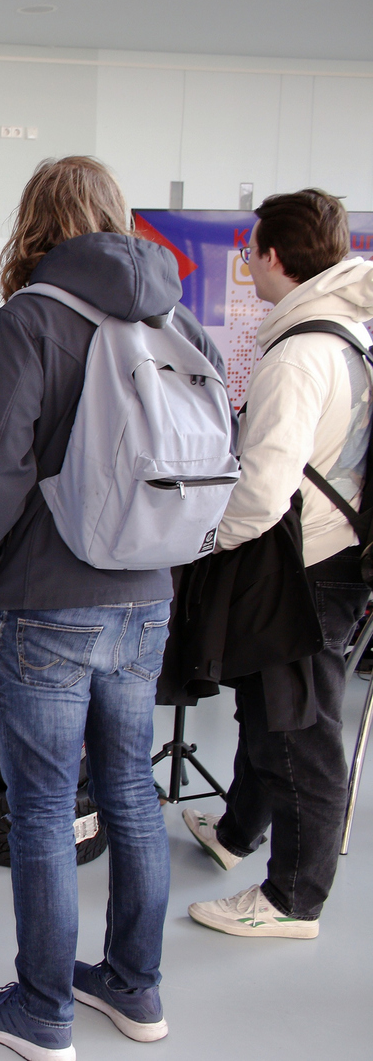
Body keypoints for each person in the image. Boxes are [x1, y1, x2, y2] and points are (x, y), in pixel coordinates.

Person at [0, 156, 220, 1059]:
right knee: (133, 796)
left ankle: (42, 1010)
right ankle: (135, 989)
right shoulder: (173, 314)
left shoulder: (32, 316)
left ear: (36, 221)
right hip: (149, 591)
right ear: (112, 218)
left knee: (42, 810)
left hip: (47, 595)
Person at [184, 190, 373, 940]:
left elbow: (262, 491)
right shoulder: (346, 338)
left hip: (305, 566)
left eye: (250, 249)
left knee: (298, 731)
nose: (245, 263)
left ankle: (294, 898)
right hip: (330, 557)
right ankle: (237, 833)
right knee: (265, 709)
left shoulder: (298, 355)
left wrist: (203, 541)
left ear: (273, 256)